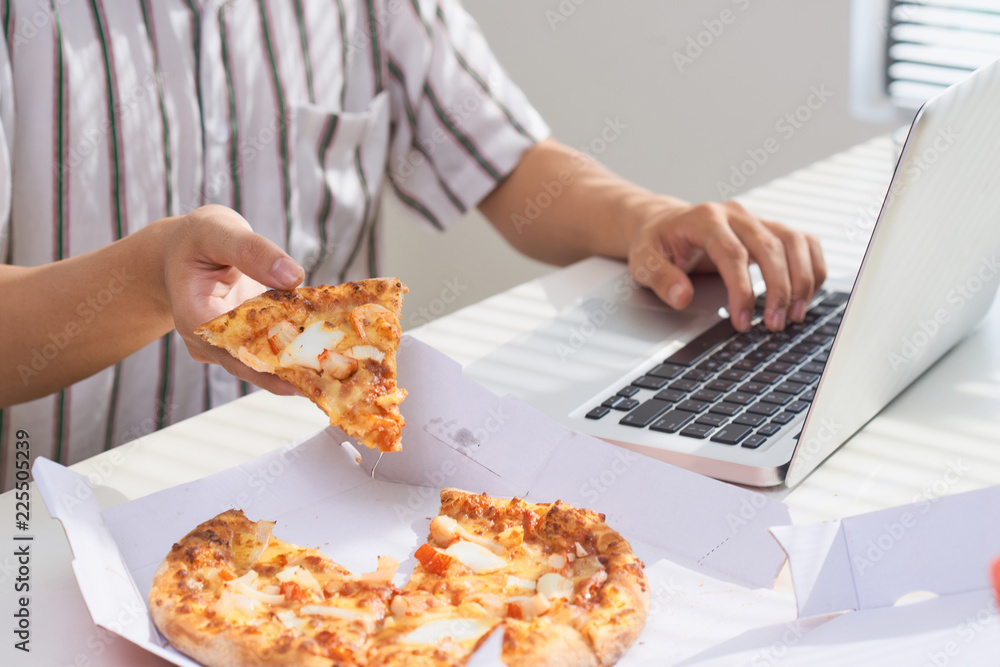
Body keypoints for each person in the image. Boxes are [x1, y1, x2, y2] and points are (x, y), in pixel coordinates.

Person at [0, 0, 824, 490]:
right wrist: (150, 277)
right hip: (61, 518)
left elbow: (508, 163)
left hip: (331, 488)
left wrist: (647, 220)